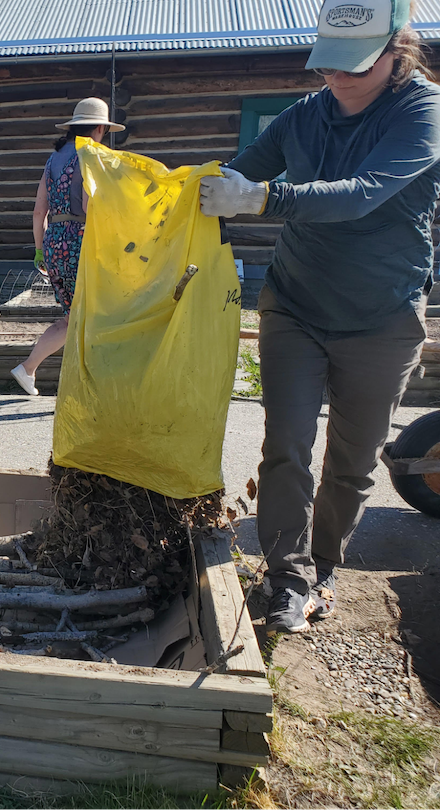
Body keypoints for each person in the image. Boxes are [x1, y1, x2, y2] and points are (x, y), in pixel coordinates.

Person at [199, 0, 439, 634]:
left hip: (382, 317)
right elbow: (241, 169)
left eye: (353, 67)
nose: (336, 78)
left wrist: (262, 198)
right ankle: (287, 578)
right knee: (286, 447)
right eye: (328, 65)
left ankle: (324, 566)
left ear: (397, 52)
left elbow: (363, 194)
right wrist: (172, 192)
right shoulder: (305, 116)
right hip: (296, 305)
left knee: (353, 464)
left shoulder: (422, 113)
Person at [10, 98, 124, 396]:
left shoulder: (54, 159)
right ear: (100, 128)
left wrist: (40, 249)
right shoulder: (92, 156)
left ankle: (28, 368)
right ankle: (89, 384)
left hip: (54, 241)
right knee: (93, 315)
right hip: (82, 240)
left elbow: (38, 211)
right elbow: (90, 205)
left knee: (74, 315)